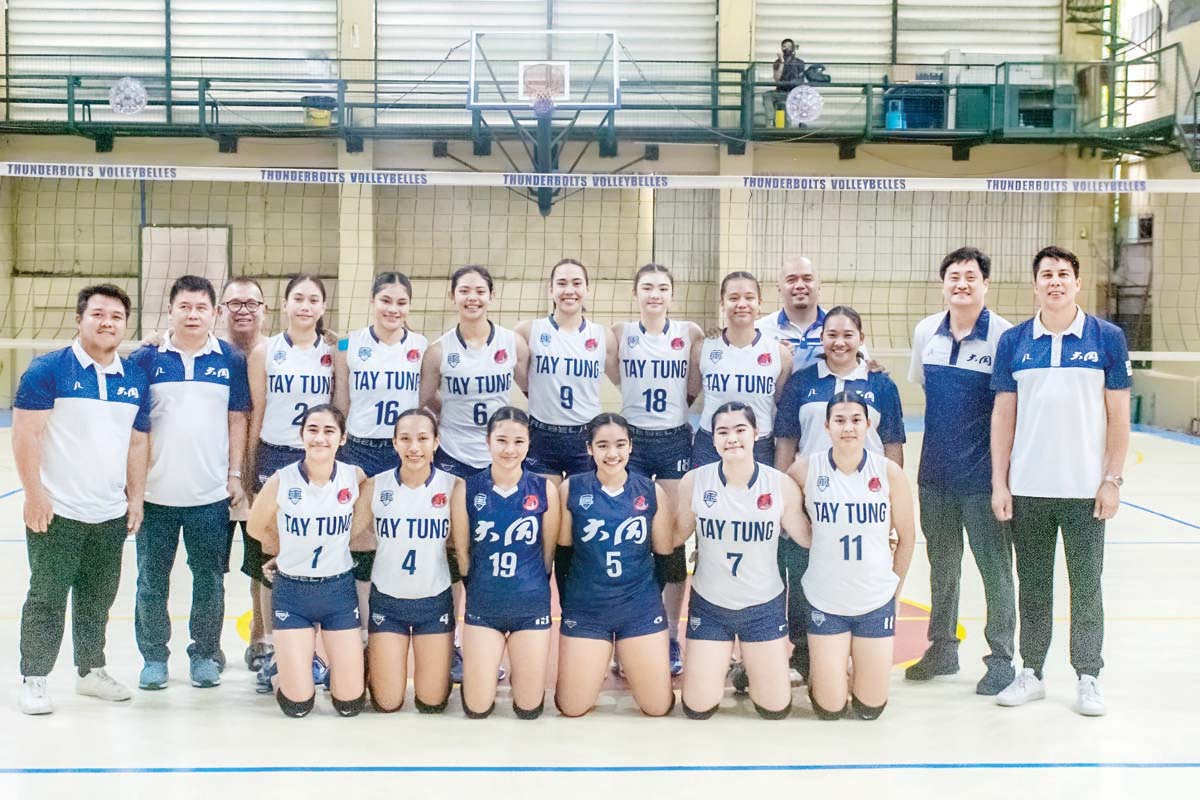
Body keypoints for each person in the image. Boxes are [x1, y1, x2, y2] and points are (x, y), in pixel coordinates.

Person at [990, 246, 1131, 717]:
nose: (1055, 281)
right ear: (1035, 285)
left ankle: (1089, 675)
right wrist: (1000, 482)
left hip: (1085, 492)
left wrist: (1112, 479)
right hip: (1029, 488)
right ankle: (1031, 672)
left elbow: (1118, 417)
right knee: (1032, 585)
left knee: (1087, 587)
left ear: (1077, 283)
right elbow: (1003, 417)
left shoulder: (1107, 338)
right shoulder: (1014, 341)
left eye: (1063, 274)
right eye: (1046, 274)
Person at [15, 284, 151, 715]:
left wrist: (136, 500)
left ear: (125, 326)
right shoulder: (47, 370)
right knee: (47, 596)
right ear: (80, 319)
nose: (107, 322)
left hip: (109, 512)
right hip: (58, 510)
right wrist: (34, 495)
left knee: (98, 597)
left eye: (116, 316)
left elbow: (136, 444)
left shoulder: (133, 377)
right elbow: (26, 435)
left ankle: (90, 671)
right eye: (98, 314)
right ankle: (34, 677)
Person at [129, 275, 250, 690]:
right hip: (154, 496)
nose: (193, 314)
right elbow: (134, 427)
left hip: (209, 496)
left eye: (201, 307)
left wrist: (234, 476)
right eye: (185, 306)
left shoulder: (230, 360)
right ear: (171, 310)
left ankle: (203, 654)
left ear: (215, 313)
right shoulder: (145, 359)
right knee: (151, 581)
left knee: (210, 580)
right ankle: (153, 658)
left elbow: (238, 419)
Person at [905, 247, 1016, 695]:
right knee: (942, 566)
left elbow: (1009, 411)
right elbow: (927, 391)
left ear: (985, 284)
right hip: (934, 475)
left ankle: (1003, 657)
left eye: (971, 276)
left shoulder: (1004, 337)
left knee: (994, 569)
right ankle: (942, 648)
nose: (962, 283)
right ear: (943, 283)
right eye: (954, 276)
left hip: (984, 480)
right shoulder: (925, 331)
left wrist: (1002, 481)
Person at [420, 265, 529, 684]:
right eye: (464, 291)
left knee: (490, 552)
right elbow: (427, 399)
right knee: (452, 555)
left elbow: (529, 388)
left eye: (480, 290)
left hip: (496, 462)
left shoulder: (511, 342)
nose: (472, 297)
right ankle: (451, 646)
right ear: (453, 297)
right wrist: (457, 423)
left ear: (492, 296)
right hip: (452, 459)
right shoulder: (439, 350)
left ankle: (488, 640)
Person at [674, 402, 809, 720]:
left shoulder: (780, 485)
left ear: (756, 433)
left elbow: (807, 539)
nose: (732, 438)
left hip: (763, 607)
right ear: (713, 437)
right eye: (723, 431)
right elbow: (673, 538)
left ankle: (746, 668)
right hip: (711, 607)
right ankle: (720, 662)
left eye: (740, 430)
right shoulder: (695, 482)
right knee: (698, 707)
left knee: (775, 709)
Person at [790, 391, 916, 721]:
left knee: (869, 709)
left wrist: (895, 592)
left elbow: (907, 538)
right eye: (840, 420)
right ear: (827, 425)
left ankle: (848, 664)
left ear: (868, 425)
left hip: (874, 599)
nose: (848, 427)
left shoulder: (888, 473)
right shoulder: (804, 471)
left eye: (856, 420)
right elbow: (784, 518)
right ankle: (827, 670)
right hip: (825, 598)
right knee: (829, 710)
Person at [247, 404, 371, 718]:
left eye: (329, 431)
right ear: (302, 436)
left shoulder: (354, 477)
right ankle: (283, 669)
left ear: (342, 439)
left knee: (349, 704)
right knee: (298, 706)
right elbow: (255, 526)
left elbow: (362, 517)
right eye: (312, 430)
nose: (320, 438)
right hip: (293, 593)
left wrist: (341, 541)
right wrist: (282, 550)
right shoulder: (281, 480)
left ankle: (333, 668)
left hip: (338, 592)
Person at [613, 263, 704, 676]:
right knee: (627, 537)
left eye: (662, 287)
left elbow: (694, 383)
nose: (655, 294)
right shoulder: (620, 334)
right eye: (647, 287)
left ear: (672, 294)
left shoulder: (690, 334)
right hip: (631, 440)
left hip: (672, 440)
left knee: (670, 538)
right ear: (636, 294)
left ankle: (668, 635)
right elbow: (616, 375)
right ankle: (625, 633)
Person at [247, 273, 335, 691]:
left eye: (313, 299)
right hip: (276, 454)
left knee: (319, 552)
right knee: (274, 553)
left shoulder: (336, 352)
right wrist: (249, 465)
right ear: (284, 304)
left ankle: (314, 652)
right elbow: (257, 409)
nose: (305, 305)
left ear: (322, 307)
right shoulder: (266, 351)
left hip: (318, 455)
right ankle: (269, 646)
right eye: (298, 298)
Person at [554, 413, 675, 718]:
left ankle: (634, 652)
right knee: (571, 707)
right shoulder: (571, 489)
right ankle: (600, 655)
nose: (612, 454)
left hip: (639, 608)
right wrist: (573, 606)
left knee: (657, 707)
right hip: (588, 609)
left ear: (631, 447)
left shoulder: (651, 491)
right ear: (589, 449)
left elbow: (664, 557)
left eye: (620, 444)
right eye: (603, 445)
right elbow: (563, 556)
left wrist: (646, 600)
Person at [334, 272, 428, 640]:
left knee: (400, 534)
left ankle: (397, 618)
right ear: (373, 302)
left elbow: (426, 400)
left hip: (402, 451)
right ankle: (361, 628)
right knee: (359, 536)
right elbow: (341, 398)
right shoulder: (347, 345)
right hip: (359, 449)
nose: (393, 308)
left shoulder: (422, 346)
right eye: (386, 301)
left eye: (401, 302)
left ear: (409, 306)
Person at [450, 408, 560, 719]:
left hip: (531, 606)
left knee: (528, 708)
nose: (509, 449)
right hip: (485, 606)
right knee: (477, 707)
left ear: (528, 443)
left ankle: (525, 673)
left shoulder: (544, 489)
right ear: (487, 442)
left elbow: (547, 553)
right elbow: (463, 553)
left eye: (518, 441)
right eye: (501, 440)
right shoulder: (468, 489)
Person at [353, 408, 459, 713]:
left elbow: (461, 548)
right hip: (387, 602)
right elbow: (345, 539)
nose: (414, 447)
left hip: (433, 602)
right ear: (394, 443)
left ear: (436, 442)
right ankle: (363, 661)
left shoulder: (453, 488)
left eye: (423, 438)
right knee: (387, 704)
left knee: (432, 703)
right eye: (406, 439)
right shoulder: (375, 487)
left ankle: (445, 662)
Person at [516, 258, 617, 483]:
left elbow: (625, 381)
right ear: (551, 289)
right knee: (544, 508)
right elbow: (521, 378)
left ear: (587, 289)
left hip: (585, 436)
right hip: (541, 435)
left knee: (580, 509)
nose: (569, 290)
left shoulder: (603, 336)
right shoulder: (527, 331)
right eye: (561, 283)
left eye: (576, 283)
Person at [217, 277, 272, 671]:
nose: (243, 310)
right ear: (221, 310)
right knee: (210, 570)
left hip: (261, 477)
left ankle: (260, 639)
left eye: (251, 303)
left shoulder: (280, 353)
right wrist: (155, 337)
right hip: (212, 479)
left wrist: (337, 341)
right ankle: (206, 648)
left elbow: (336, 350)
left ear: (264, 310)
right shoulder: (208, 353)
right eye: (234, 303)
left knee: (261, 567)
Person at [775, 306, 905, 469]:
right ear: (822, 337)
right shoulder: (800, 382)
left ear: (861, 338)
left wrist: (892, 489)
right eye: (832, 335)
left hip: (868, 488)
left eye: (848, 335)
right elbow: (786, 441)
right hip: (814, 485)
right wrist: (784, 488)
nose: (839, 342)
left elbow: (892, 444)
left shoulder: (882, 385)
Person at [689, 270, 790, 467]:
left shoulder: (780, 354)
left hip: (758, 444)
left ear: (759, 303)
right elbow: (688, 396)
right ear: (722, 303)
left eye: (749, 298)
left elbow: (781, 408)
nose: (741, 304)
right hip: (710, 443)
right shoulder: (703, 348)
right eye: (733, 298)